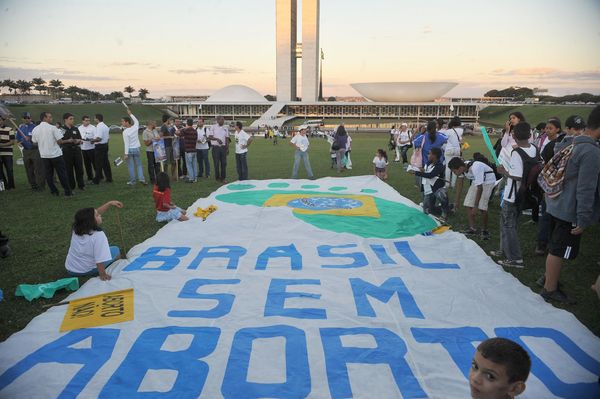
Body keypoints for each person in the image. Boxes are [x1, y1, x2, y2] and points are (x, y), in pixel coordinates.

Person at [540, 105, 600, 303]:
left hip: (556, 202)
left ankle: (549, 278)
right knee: (559, 250)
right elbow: (585, 189)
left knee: (554, 245)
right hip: (569, 209)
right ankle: (550, 288)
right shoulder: (590, 152)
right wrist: (583, 219)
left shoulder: (568, 142)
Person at [492, 122, 536, 268]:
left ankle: (515, 258)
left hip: (512, 195)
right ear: (530, 136)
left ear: (514, 136)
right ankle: (504, 249)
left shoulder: (517, 153)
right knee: (507, 224)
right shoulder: (534, 149)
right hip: (523, 194)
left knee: (509, 226)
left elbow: (517, 176)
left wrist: (504, 172)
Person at [65, 200, 123, 281]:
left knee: (107, 249)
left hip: (70, 268)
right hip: (85, 270)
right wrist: (102, 274)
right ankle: (119, 267)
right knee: (115, 249)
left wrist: (109, 204)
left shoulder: (76, 228)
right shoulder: (98, 235)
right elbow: (99, 259)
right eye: (97, 215)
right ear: (91, 221)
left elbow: (94, 213)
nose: (100, 215)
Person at [535, 118, 565, 256]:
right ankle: (543, 243)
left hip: (557, 184)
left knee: (549, 215)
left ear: (558, 129)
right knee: (546, 215)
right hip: (549, 184)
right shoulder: (548, 144)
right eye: (546, 128)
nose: (547, 130)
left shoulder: (559, 144)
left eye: (550, 128)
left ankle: (547, 243)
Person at [449, 154, 496, 239]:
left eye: (454, 171)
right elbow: (460, 185)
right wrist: (456, 201)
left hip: (488, 181)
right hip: (477, 181)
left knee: (482, 207)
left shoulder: (476, 167)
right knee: (467, 204)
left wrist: (476, 206)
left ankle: (485, 231)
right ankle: (472, 229)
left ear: (459, 168)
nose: (454, 173)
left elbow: (480, 188)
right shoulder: (462, 169)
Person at [31, 112, 73, 196]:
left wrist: (42, 143)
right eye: (49, 117)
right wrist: (68, 140)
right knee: (62, 174)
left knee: (48, 175)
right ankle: (68, 192)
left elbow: (34, 142)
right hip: (55, 155)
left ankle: (54, 191)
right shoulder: (53, 128)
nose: (51, 118)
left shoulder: (35, 129)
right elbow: (60, 141)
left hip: (44, 155)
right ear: (44, 118)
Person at [413, 147, 448, 219]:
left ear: (434, 156)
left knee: (442, 197)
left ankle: (445, 212)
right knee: (428, 210)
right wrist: (419, 170)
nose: (428, 155)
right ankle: (447, 208)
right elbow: (426, 171)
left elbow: (431, 175)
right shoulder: (428, 163)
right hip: (427, 188)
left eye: (429, 154)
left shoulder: (439, 166)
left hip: (437, 188)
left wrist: (417, 173)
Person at [17, 112, 45, 191]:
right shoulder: (20, 128)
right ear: (22, 119)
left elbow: (40, 139)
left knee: (38, 169)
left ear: (31, 118)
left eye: (28, 118)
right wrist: (19, 143)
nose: (26, 119)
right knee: (29, 169)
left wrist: (30, 138)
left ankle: (40, 185)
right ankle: (33, 185)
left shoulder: (35, 128)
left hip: (35, 150)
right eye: (24, 118)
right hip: (26, 151)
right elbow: (18, 139)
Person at [60, 113, 85, 191]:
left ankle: (81, 185)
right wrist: (68, 140)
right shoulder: (61, 129)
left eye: (73, 119)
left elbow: (80, 139)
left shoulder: (75, 128)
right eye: (71, 119)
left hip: (76, 150)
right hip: (67, 151)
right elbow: (59, 141)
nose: (72, 120)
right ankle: (71, 186)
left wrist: (79, 141)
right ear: (65, 120)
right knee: (69, 169)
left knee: (79, 168)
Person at [122, 109, 146, 186]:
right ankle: (141, 179)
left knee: (131, 166)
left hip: (129, 150)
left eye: (122, 121)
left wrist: (126, 154)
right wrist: (130, 114)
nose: (121, 123)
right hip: (136, 149)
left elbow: (126, 144)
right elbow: (136, 121)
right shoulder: (135, 127)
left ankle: (133, 181)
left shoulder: (125, 132)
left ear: (127, 122)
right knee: (139, 165)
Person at [208, 115, 230, 183]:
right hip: (215, 148)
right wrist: (217, 139)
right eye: (221, 120)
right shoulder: (213, 127)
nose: (223, 121)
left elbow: (227, 138)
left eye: (223, 120)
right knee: (216, 163)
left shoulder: (225, 128)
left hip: (223, 148)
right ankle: (217, 177)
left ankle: (223, 178)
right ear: (217, 120)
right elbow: (210, 137)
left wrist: (227, 147)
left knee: (224, 163)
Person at [92, 113, 112, 184]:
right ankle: (109, 178)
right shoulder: (105, 126)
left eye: (94, 118)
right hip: (105, 145)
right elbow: (108, 138)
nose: (94, 119)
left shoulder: (99, 126)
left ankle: (97, 180)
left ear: (97, 119)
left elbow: (99, 138)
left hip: (99, 146)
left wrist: (92, 141)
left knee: (98, 164)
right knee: (105, 163)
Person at [444, 116, 463, 187]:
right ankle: (453, 184)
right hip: (457, 150)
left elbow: (445, 139)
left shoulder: (448, 131)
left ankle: (447, 183)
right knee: (456, 166)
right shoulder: (461, 130)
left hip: (449, 149)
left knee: (448, 167)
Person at [78, 115, 97, 182]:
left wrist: (92, 140)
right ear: (83, 121)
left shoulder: (93, 128)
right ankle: (90, 177)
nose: (88, 122)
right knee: (87, 164)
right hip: (83, 148)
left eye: (89, 120)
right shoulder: (79, 128)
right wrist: (80, 141)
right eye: (86, 120)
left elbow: (96, 137)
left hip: (92, 148)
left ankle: (98, 176)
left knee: (95, 163)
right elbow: (78, 137)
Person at [159, 115, 177, 181]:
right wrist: (169, 137)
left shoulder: (168, 126)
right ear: (167, 120)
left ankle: (173, 176)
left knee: (173, 162)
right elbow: (160, 137)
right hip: (166, 146)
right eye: (169, 119)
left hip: (171, 146)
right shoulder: (163, 127)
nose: (170, 121)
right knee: (166, 163)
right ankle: (164, 177)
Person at [0, 116, 16, 190]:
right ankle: (4, 186)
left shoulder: (10, 129)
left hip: (7, 153)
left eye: (0, 120)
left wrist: (2, 145)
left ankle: (11, 186)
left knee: (9, 170)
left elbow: (12, 142)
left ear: (3, 121)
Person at [181, 118, 198, 183]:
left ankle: (191, 178)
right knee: (194, 165)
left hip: (188, 150)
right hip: (194, 149)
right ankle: (195, 178)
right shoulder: (195, 131)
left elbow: (178, 133)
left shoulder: (185, 130)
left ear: (187, 123)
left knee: (189, 165)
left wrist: (183, 128)